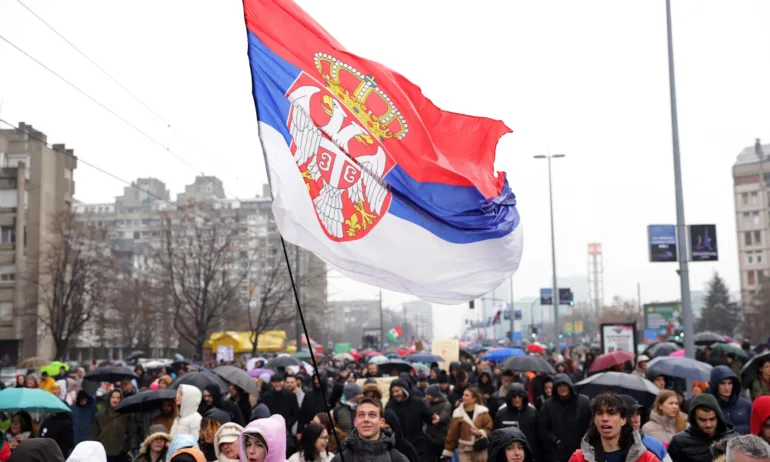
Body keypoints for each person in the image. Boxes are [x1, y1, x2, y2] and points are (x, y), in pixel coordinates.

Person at [567, 393, 660, 462]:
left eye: (611, 413)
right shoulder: (579, 458)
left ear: (623, 420)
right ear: (595, 420)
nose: (605, 418)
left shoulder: (647, 459)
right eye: (600, 413)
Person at [331, 398, 409, 462]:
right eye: (361, 415)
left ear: (381, 422)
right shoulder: (339, 459)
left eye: (372, 415)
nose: (366, 419)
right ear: (355, 422)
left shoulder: (398, 459)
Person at [668, 393, 737, 462]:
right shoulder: (679, 442)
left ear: (718, 418)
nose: (708, 424)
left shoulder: (733, 438)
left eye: (712, 419)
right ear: (694, 419)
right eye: (703, 420)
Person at [538, 374, 591, 462]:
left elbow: (591, 423)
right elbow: (542, 428)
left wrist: (585, 440)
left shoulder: (584, 402)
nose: (562, 388)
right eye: (559, 385)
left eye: (564, 385)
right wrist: (554, 440)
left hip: (580, 450)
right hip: (557, 452)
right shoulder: (548, 405)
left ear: (570, 386)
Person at [386, 378, 440, 462]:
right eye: (393, 392)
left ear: (404, 390)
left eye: (397, 391)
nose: (395, 394)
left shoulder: (417, 402)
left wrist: (434, 419)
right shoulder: (390, 406)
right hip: (399, 446)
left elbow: (428, 417)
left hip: (418, 444)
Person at [443, 388, 494, 462]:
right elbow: (452, 435)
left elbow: (489, 428)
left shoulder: (483, 412)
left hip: (480, 448)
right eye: (463, 395)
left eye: (466, 395)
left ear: (473, 399)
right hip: (464, 449)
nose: (463, 397)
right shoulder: (457, 414)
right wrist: (448, 452)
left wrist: (480, 432)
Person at [493, 384, 539, 462]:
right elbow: (496, 436)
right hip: (508, 455)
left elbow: (538, 435)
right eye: (514, 397)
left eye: (520, 397)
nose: (517, 399)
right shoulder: (501, 413)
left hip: (529, 453)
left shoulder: (532, 412)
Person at [617, 395, 670, 462]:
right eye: (630, 415)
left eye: (638, 414)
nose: (636, 420)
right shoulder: (604, 446)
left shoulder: (656, 445)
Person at [91, 389, 132, 462]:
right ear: (109, 399)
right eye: (113, 397)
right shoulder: (99, 416)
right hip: (103, 454)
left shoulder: (126, 416)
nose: (115, 400)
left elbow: (131, 434)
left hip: (120, 455)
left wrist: (125, 448)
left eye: (118, 398)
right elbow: (94, 436)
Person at [709, 365, 752, 434]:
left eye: (730, 383)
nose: (727, 387)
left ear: (734, 384)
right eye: (723, 383)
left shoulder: (746, 405)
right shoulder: (709, 406)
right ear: (715, 384)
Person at [425, 384, 452, 462]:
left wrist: (438, 419)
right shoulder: (427, 404)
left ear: (434, 395)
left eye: (428, 394)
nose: (426, 396)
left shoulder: (446, 404)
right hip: (429, 438)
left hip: (442, 439)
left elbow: (444, 416)